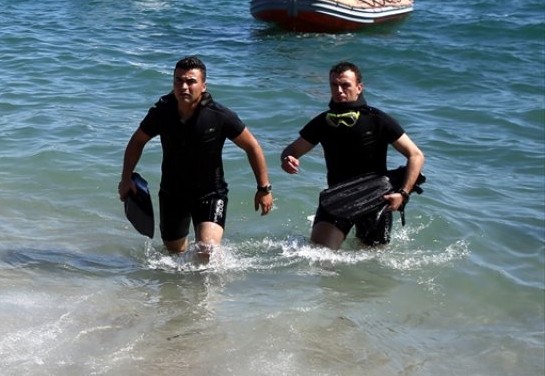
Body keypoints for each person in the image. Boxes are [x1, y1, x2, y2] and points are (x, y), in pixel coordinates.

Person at [118, 56, 274, 258]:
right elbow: (137, 141)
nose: (184, 86)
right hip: (172, 193)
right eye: (178, 80)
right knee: (174, 255)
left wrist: (263, 188)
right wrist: (126, 178)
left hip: (211, 193)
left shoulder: (219, 115)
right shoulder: (162, 112)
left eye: (191, 81)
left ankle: (214, 278)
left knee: (206, 251)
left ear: (203, 86)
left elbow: (252, 146)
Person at [279, 62, 425, 249]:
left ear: (359, 87)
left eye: (345, 85)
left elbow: (416, 155)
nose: (339, 90)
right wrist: (288, 160)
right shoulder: (323, 122)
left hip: (376, 199)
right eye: (334, 85)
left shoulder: (377, 120)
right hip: (338, 200)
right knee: (317, 255)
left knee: (371, 261)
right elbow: (291, 151)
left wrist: (402, 194)